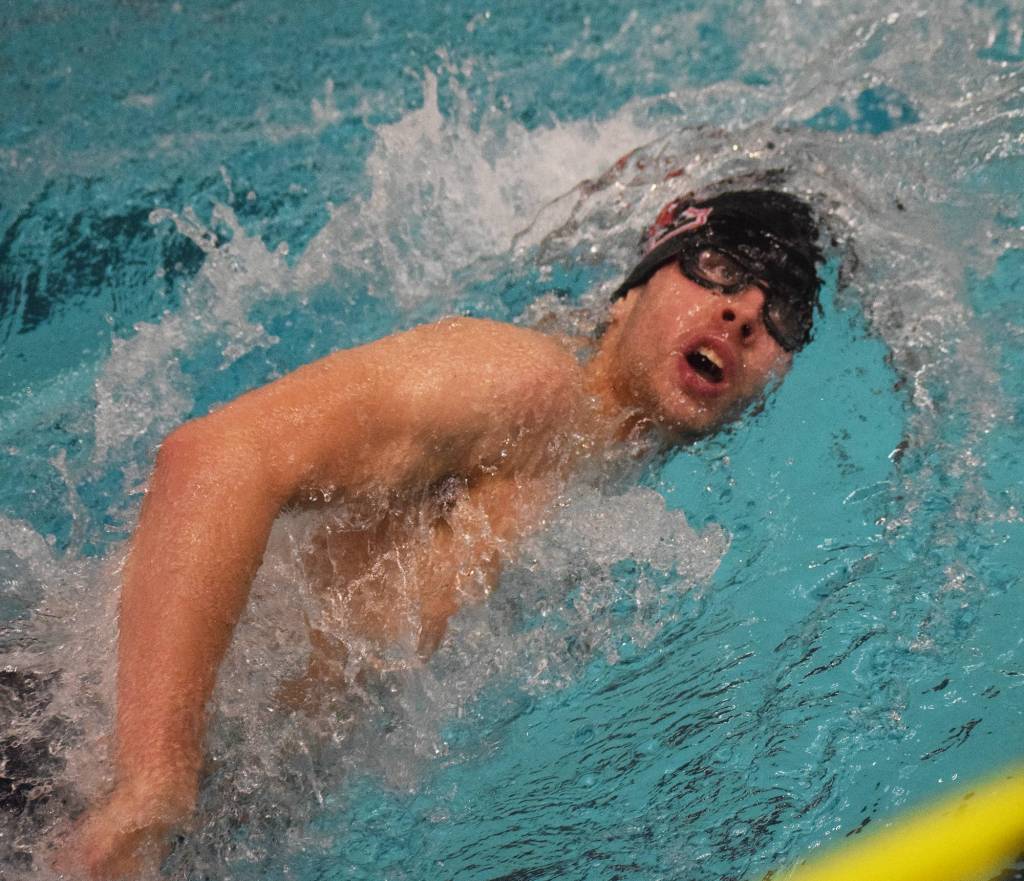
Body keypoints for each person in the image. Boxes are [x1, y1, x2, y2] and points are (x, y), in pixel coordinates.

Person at [56, 184, 825, 879]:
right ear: (630, 290)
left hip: (202, 819)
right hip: (62, 765)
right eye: (716, 268)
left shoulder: (598, 471)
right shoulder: (527, 385)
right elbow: (215, 457)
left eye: (781, 312)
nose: (743, 312)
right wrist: (151, 783)